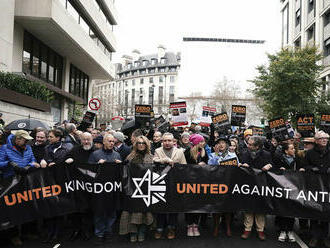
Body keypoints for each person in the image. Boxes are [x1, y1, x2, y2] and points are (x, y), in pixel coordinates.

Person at [0, 130, 40, 246]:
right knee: (12, 208)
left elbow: (33, 160)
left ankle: (27, 232)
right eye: (24, 140)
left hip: (26, 179)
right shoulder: (4, 148)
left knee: (28, 205)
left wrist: (30, 165)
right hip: (10, 181)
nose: (27, 142)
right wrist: (9, 163)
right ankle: (14, 235)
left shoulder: (28, 148)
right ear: (17, 139)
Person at [119, 135, 154, 242]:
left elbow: (156, 173)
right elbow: (124, 173)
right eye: (139, 143)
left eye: (143, 143)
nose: (141, 145)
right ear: (136, 144)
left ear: (147, 144)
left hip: (146, 189)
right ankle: (133, 233)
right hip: (132, 189)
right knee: (131, 213)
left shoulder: (151, 157)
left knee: (145, 212)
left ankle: (142, 232)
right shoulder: (130, 157)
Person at [88, 134, 122, 245]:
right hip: (99, 190)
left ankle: (108, 231)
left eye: (113, 141)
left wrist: (120, 165)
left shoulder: (117, 155)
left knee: (111, 212)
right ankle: (99, 234)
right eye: (109, 141)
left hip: (112, 189)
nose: (112, 143)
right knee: (99, 212)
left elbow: (121, 174)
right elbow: (89, 172)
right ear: (104, 142)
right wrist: (97, 165)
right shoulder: (95, 154)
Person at [153, 132, 187, 239]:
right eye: (165, 140)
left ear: (174, 141)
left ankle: (171, 228)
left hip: (174, 184)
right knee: (160, 207)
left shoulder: (180, 152)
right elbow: (153, 161)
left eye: (169, 140)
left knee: (173, 207)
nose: (167, 143)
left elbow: (184, 167)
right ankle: (159, 228)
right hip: (160, 184)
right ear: (162, 141)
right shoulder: (157, 151)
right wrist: (162, 160)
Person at [240, 136, 273, 241]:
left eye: (250, 144)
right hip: (248, 184)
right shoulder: (244, 153)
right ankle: (247, 229)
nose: (248, 145)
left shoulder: (266, 154)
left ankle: (260, 230)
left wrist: (269, 165)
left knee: (260, 206)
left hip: (261, 184)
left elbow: (272, 165)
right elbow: (239, 164)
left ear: (257, 146)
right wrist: (241, 165)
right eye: (248, 143)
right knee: (248, 206)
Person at [64, 132, 95, 241]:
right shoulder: (74, 150)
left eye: (88, 139)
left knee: (89, 209)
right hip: (77, 185)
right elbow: (64, 160)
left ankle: (88, 230)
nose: (86, 142)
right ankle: (76, 230)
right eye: (84, 140)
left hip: (90, 186)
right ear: (80, 140)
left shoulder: (96, 151)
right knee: (76, 209)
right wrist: (68, 160)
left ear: (92, 139)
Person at [40, 129, 69, 243]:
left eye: (51, 137)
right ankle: (49, 232)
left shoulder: (66, 149)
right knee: (48, 206)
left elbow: (67, 163)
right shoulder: (47, 148)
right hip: (48, 180)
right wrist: (43, 160)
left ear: (58, 138)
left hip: (60, 181)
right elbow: (43, 158)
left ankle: (57, 233)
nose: (49, 139)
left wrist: (57, 164)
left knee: (58, 207)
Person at [208, 136, 239, 237]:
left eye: (223, 143)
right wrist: (216, 155)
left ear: (227, 145)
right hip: (216, 184)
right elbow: (209, 167)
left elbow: (237, 167)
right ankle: (216, 226)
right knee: (216, 207)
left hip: (229, 183)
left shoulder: (232, 155)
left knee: (228, 207)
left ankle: (228, 227)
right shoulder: (212, 155)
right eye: (219, 143)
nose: (221, 144)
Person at [305, 131, 330, 248]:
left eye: (326, 138)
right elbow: (304, 166)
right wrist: (312, 168)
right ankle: (314, 236)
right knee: (314, 210)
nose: (324, 140)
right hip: (314, 186)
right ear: (316, 141)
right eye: (322, 138)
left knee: (326, 211)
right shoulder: (309, 153)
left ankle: (324, 237)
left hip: (328, 186)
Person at [184, 134, 208, 237]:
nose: (203, 143)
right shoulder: (187, 152)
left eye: (203, 141)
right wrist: (197, 166)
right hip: (189, 182)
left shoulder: (204, 152)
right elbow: (183, 167)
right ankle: (189, 225)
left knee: (198, 204)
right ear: (196, 142)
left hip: (200, 182)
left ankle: (195, 225)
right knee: (189, 204)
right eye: (201, 141)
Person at [273, 143, 297, 243]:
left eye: (294, 148)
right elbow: (273, 171)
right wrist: (279, 170)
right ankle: (283, 230)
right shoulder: (279, 160)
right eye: (292, 148)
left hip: (294, 188)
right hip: (282, 188)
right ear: (286, 151)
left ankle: (290, 231)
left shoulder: (297, 160)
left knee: (292, 209)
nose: (294, 150)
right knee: (283, 208)